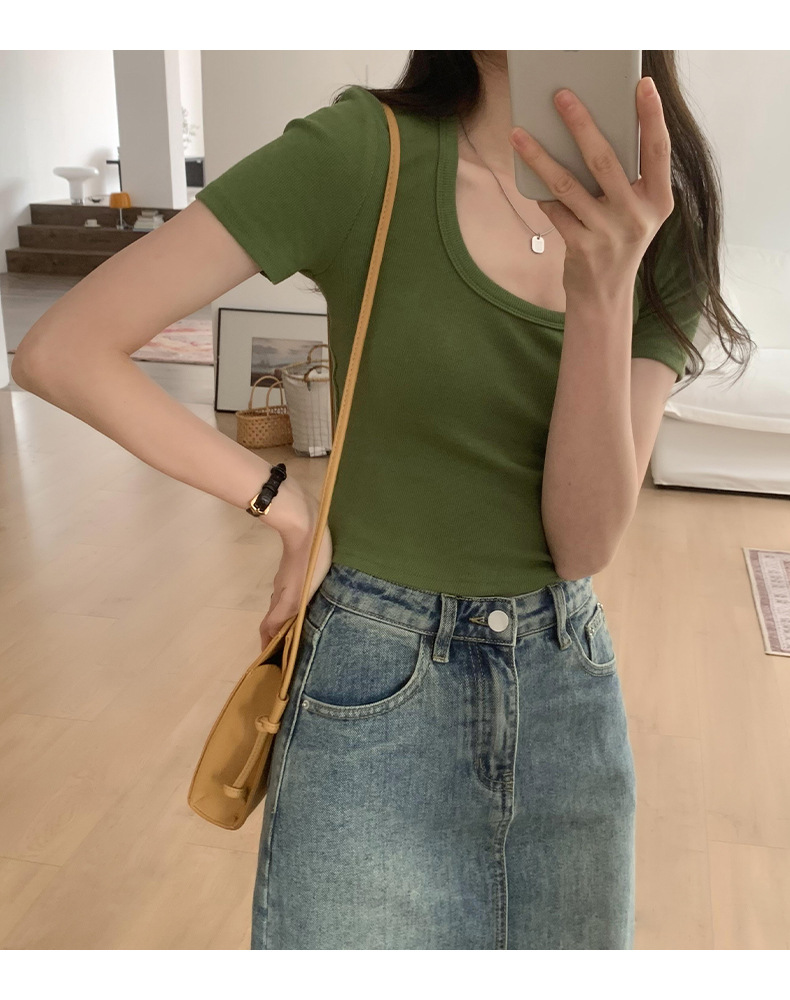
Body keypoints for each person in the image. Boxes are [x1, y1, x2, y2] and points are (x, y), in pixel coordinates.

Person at [11, 51, 748, 950]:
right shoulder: (367, 154)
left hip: (565, 694)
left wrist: (603, 290)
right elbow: (63, 350)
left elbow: (582, 543)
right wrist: (286, 505)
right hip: (372, 681)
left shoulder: (659, 218)